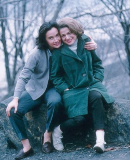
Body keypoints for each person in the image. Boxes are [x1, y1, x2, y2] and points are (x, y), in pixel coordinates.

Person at [6, 21, 97, 160]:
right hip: (36, 90)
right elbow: (24, 75)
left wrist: (93, 42)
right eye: (51, 38)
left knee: (55, 102)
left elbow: (77, 33)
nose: (56, 40)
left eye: (57, 36)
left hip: (54, 89)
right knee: (13, 112)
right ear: (44, 40)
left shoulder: (65, 46)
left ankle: (47, 136)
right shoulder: (36, 53)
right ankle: (26, 147)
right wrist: (15, 98)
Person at [50, 17, 115, 153]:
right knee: (79, 119)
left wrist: (97, 77)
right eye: (63, 35)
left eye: (70, 33)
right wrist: (65, 89)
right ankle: (57, 131)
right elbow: (55, 76)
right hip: (73, 90)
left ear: (75, 31)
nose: (67, 37)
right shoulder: (58, 52)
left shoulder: (86, 42)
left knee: (96, 97)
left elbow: (97, 64)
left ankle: (100, 141)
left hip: (92, 85)